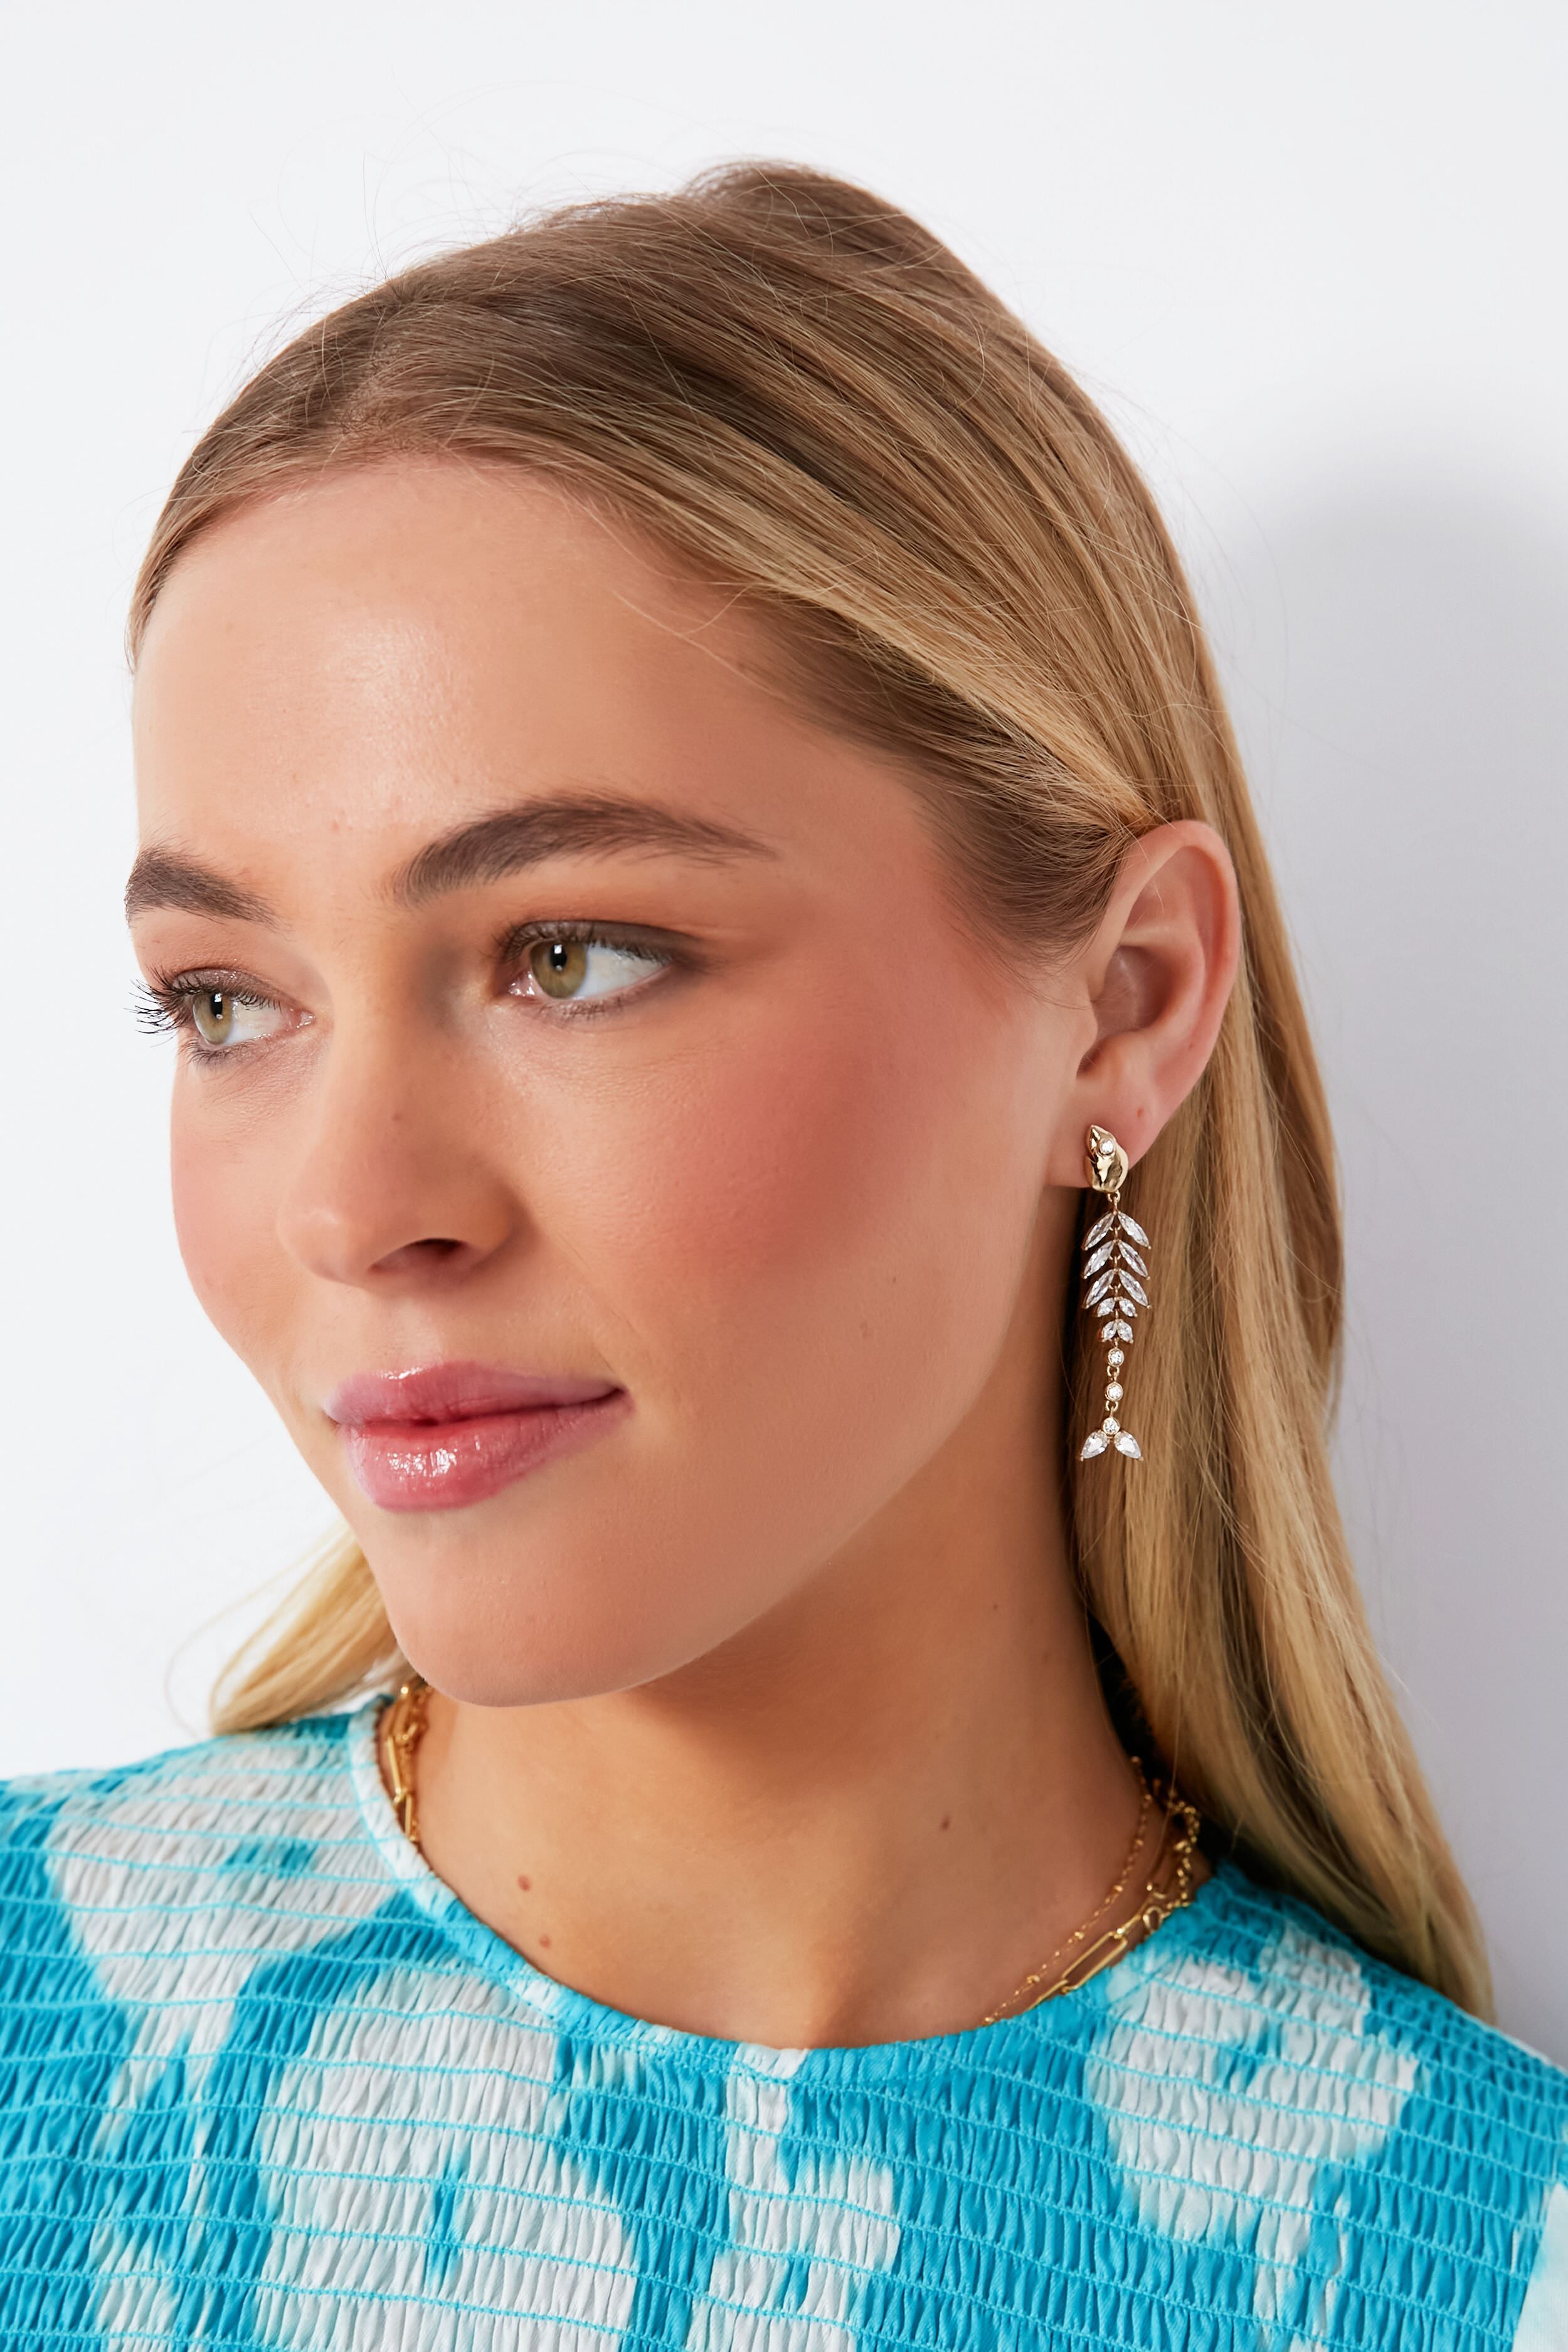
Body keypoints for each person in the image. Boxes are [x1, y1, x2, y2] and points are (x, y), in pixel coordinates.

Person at [1, 163, 1562, 2348]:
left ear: (1122, 1003)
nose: (354, 1209)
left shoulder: (1475, 2272)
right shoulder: (40, 2052)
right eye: (223, 1002)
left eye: (571, 954)